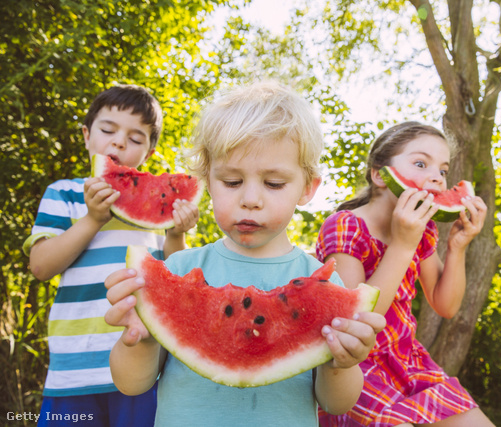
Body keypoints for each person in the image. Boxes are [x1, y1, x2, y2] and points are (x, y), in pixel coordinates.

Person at [102, 81, 387, 426]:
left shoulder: (326, 284)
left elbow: (336, 403)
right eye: (232, 182)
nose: (250, 199)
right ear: (207, 180)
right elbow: (131, 384)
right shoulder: (176, 268)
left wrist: (342, 363)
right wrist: (140, 340)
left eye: (274, 183)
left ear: (307, 188)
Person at [23, 84, 200, 427]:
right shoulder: (64, 194)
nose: (119, 142)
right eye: (108, 130)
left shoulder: (154, 207)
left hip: (142, 367)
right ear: (88, 136)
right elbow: (41, 266)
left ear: (148, 154)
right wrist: (92, 219)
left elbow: (176, 280)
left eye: (136, 139)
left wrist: (176, 233)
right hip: (73, 373)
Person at [315, 121, 495, 426]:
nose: (436, 178)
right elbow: (354, 320)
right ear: (379, 175)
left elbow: (445, 306)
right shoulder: (346, 225)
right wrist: (402, 245)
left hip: (408, 359)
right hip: (355, 366)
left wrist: (457, 247)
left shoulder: (422, 231)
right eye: (421, 163)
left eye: (443, 170)